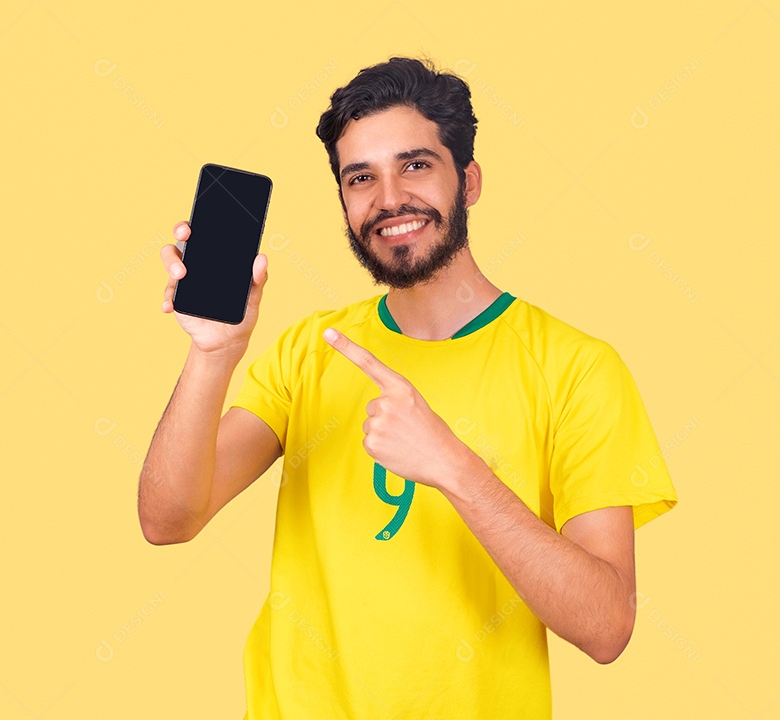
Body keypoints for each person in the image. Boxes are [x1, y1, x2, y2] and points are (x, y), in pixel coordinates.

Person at [138, 56, 678, 719]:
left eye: (415, 165)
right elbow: (168, 520)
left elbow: (606, 626)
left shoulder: (578, 369)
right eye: (361, 177)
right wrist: (212, 356)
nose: (389, 198)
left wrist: (455, 468)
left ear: (468, 181)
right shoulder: (312, 348)